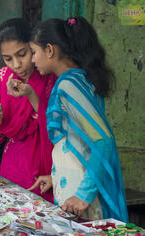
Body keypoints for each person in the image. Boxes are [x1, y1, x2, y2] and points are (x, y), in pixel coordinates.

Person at [29, 17, 128, 222]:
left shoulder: (69, 85)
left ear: (49, 50)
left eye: (34, 52)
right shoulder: (81, 79)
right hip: (76, 188)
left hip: (81, 200)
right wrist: (55, 177)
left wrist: (83, 195)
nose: (32, 60)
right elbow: (78, 142)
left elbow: (103, 141)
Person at [0, 18, 57, 203]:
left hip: (45, 169)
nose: (16, 65)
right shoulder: (1, 78)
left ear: (33, 46)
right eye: (8, 59)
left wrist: (32, 96)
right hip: (12, 167)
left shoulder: (49, 76)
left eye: (22, 54)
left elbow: (56, 128)